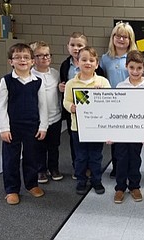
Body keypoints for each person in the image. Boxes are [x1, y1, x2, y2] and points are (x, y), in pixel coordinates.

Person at [0, 43, 48, 205]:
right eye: (17, 57)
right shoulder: (6, 81)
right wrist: (4, 128)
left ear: (33, 61)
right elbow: (1, 106)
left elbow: (43, 105)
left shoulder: (37, 82)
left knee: (32, 156)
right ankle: (11, 189)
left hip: (32, 126)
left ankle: (31, 184)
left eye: (26, 57)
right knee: (11, 158)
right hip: (12, 128)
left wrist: (43, 126)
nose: (22, 60)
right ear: (11, 61)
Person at [63, 46, 111, 195]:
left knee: (96, 156)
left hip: (96, 127)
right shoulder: (71, 83)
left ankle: (96, 180)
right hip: (78, 127)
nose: (87, 63)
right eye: (84, 60)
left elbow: (110, 102)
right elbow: (66, 101)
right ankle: (81, 180)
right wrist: (71, 107)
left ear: (97, 64)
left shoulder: (102, 82)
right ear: (77, 62)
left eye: (91, 60)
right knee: (81, 156)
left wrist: (101, 95)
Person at [113, 50, 144, 204]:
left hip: (138, 131)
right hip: (122, 131)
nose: (135, 71)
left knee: (135, 158)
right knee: (121, 158)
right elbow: (116, 111)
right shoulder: (120, 86)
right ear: (126, 67)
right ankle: (120, 187)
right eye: (132, 68)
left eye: (139, 68)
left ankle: (134, 186)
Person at [100, 21, 138, 179]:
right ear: (113, 37)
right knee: (114, 139)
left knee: (131, 139)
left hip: (131, 103)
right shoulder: (105, 58)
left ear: (130, 39)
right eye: (118, 36)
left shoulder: (134, 57)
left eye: (125, 37)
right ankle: (117, 167)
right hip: (112, 103)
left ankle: (132, 169)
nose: (121, 39)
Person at [30, 41, 63, 183]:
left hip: (55, 117)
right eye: (40, 55)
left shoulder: (55, 74)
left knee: (54, 145)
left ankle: (53, 168)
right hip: (38, 119)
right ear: (33, 59)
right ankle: (41, 170)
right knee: (39, 146)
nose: (45, 58)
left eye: (47, 55)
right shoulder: (30, 75)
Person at [59, 32, 88, 178]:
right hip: (73, 110)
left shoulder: (92, 63)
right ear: (68, 47)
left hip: (89, 109)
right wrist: (61, 87)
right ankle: (77, 165)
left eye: (80, 45)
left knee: (89, 138)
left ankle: (88, 166)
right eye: (73, 45)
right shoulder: (65, 65)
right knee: (74, 137)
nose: (76, 48)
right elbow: (63, 83)